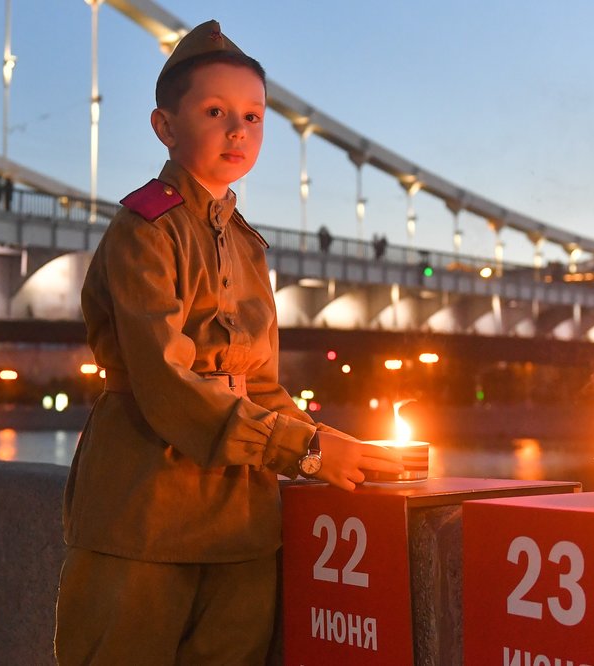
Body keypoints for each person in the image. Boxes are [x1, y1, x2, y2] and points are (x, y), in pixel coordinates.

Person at [54, 20, 402, 665]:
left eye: (254, 116)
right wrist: (303, 450)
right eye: (215, 112)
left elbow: (260, 384)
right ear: (165, 126)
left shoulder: (247, 244)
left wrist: (332, 443)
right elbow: (165, 382)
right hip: (144, 510)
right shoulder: (145, 229)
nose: (238, 131)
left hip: (242, 524)